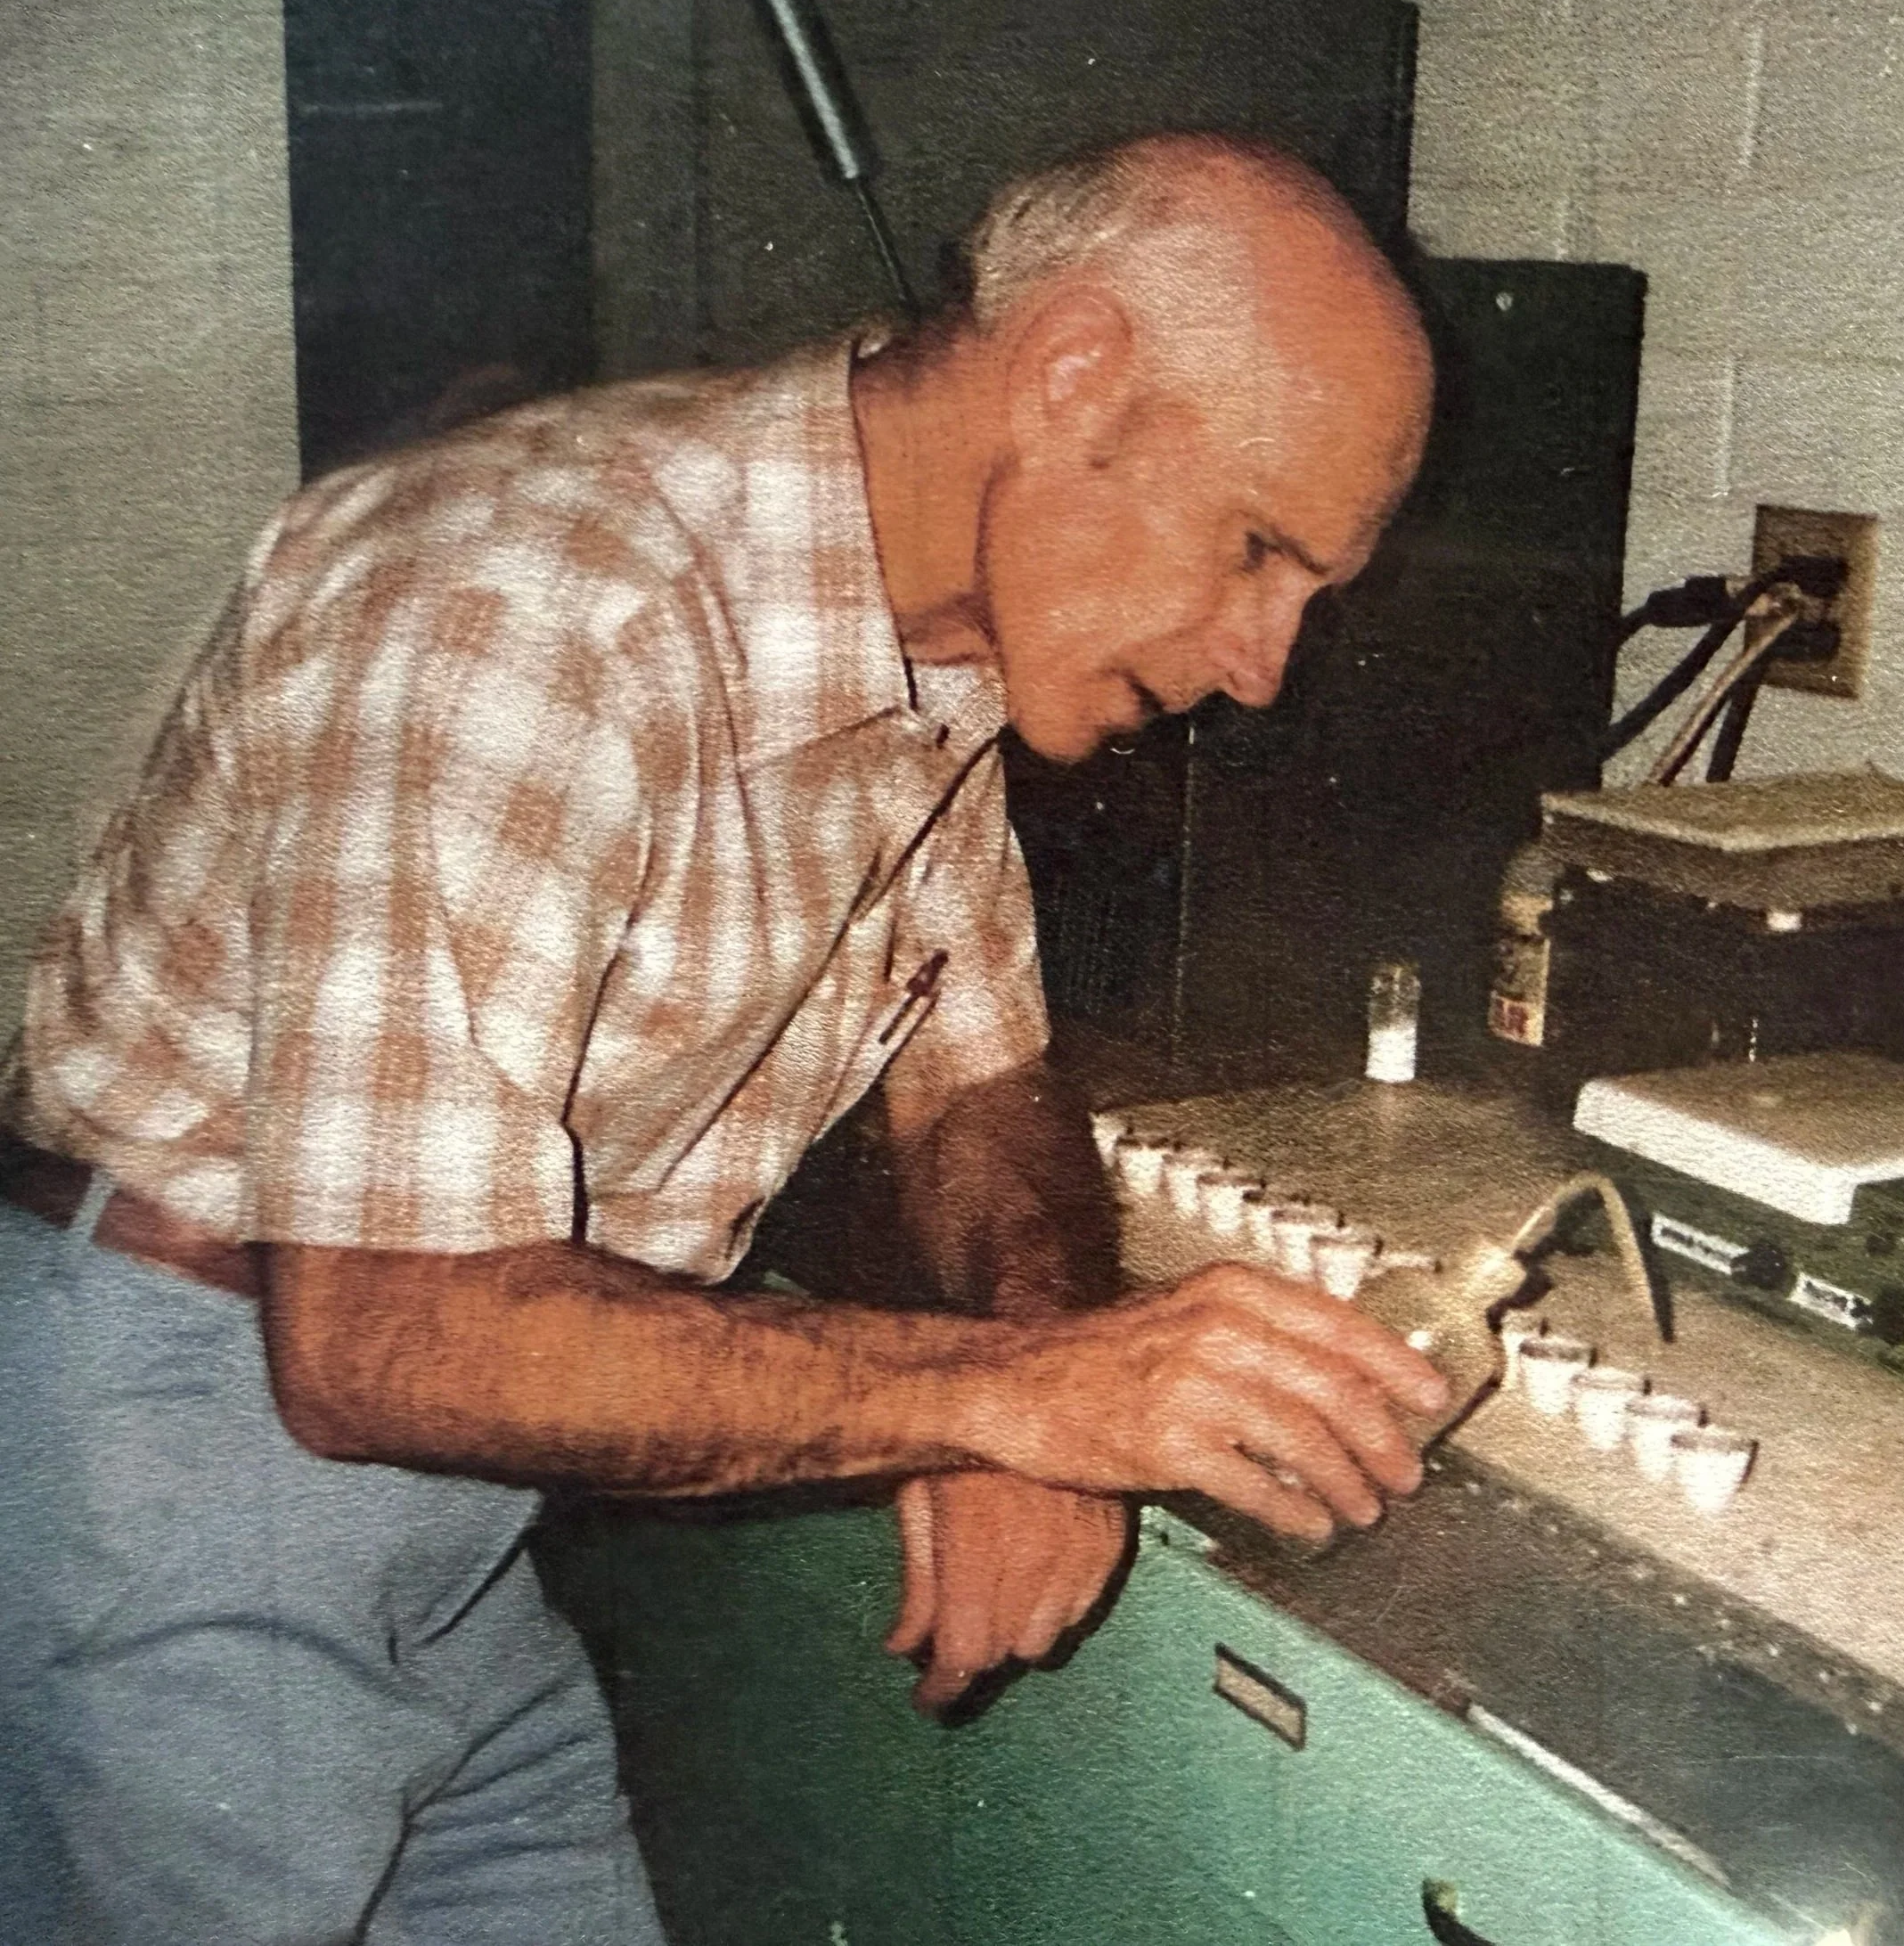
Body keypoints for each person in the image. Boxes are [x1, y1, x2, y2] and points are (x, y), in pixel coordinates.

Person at [0, 132, 1443, 1943]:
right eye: (1255, 550)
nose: (1262, 663)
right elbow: (373, 1337)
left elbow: (975, 1081)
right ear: (1075, 375)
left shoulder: (933, 641)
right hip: (176, 1461)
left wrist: (1027, 1376)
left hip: (444, 1524)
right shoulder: (527, 606)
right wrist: (1005, 1392)